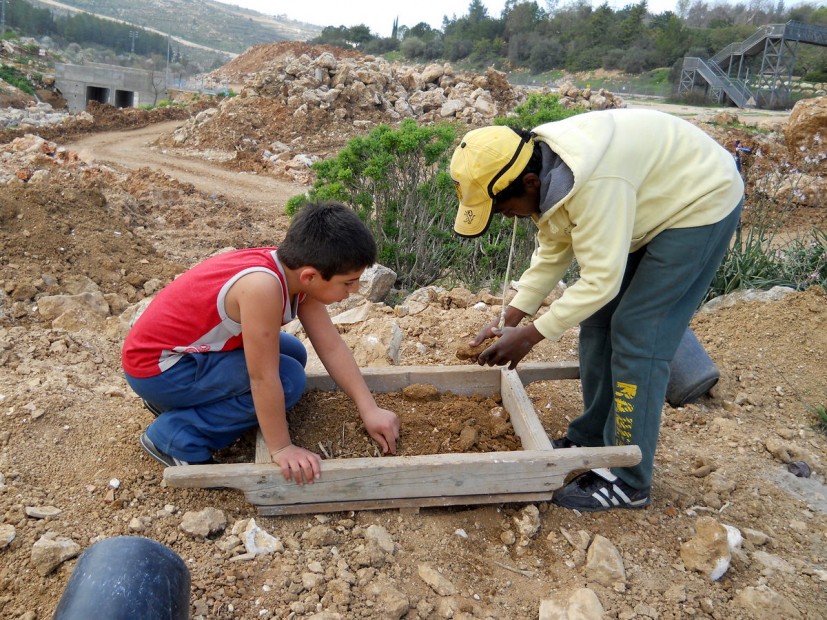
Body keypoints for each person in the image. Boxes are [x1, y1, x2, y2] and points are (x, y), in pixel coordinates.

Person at [450, 109, 743, 512]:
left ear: (530, 182)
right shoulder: (545, 170)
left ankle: (628, 478)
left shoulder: (592, 182)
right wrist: (513, 315)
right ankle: (590, 438)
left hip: (697, 200)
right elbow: (555, 246)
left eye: (505, 208)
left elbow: (601, 280)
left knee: (639, 332)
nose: (508, 217)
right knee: (598, 319)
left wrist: (532, 336)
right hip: (644, 199)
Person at [122, 202, 400, 484]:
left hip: (170, 358)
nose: (354, 291)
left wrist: (369, 408)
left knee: (292, 351)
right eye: (348, 283)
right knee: (288, 380)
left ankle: (187, 402)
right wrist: (281, 447)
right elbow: (263, 378)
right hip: (158, 370)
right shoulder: (262, 287)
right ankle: (175, 437)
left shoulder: (293, 270)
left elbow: (330, 345)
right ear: (310, 276)